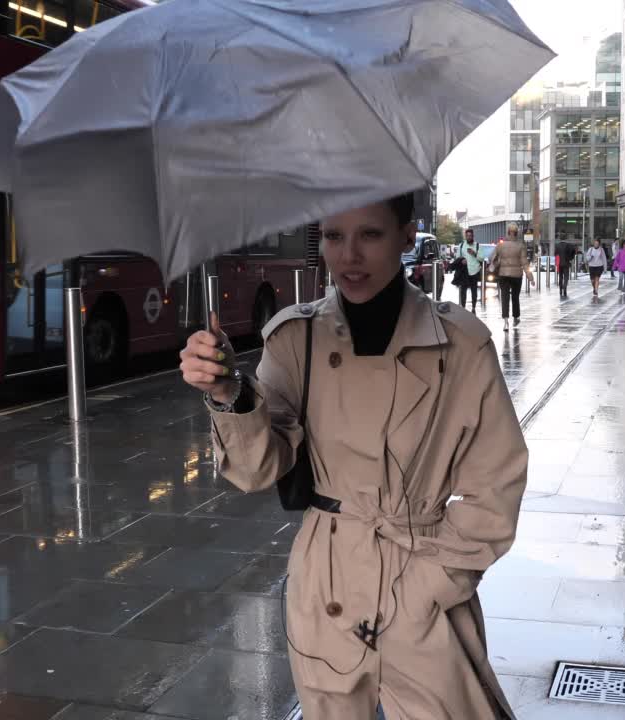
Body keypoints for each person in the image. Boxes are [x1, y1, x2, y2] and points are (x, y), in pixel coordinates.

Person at [180, 192, 528, 719]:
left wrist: (425, 590)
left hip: (423, 577)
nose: (349, 257)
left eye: (370, 234)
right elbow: (257, 470)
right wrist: (230, 394)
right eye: (334, 237)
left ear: (407, 237)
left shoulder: (461, 344)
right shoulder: (296, 338)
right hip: (327, 583)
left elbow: (496, 487)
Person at [490, 223, 527, 330]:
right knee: (515, 297)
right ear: (516, 233)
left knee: (505, 297)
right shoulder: (521, 245)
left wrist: (496, 261)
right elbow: (524, 262)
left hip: (503, 274)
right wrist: (530, 277)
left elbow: (492, 257)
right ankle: (516, 318)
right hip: (517, 275)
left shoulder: (500, 245)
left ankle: (506, 322)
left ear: (508, 232)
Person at [457, 228, 482, 312]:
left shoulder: (477, 245)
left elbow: (482, 258)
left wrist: (474, 253)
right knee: (463, 290)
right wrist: (461, 260)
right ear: (465, 236)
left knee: (474, 290)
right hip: (464, 271)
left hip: (474, 271)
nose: (469, 237)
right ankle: (463, 307)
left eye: (470, 236)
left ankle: (473, 307)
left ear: (473, 236)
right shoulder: (461, 246)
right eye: (467, 236)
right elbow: (457, 258)